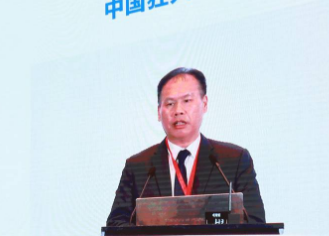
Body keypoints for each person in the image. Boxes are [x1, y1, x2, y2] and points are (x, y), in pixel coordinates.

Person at [106, 68, 265, 226]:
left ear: (204, 104)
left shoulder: (234, 161)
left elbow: (255, 223)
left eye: (187, 101)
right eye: (170, 103)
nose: (178, 111)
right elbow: (116, 224)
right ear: (159, 112)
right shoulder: (138, 167)